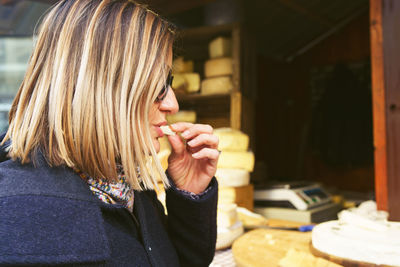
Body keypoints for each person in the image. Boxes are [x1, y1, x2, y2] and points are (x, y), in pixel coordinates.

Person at [0, 0, 219, 266]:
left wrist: (189, 194)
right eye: (160, 84)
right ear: (103, 87)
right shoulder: (19, 212)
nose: (172, 104)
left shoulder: (125, 183)